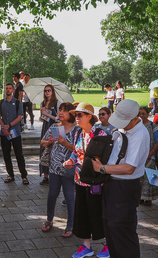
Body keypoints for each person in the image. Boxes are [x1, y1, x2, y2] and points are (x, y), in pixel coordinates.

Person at [91, 99, 150, 258]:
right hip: (113, 183)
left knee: (122, 229)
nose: (121, 124)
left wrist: (102, 168)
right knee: (110, 227)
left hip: (125, 187)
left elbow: (129, 168)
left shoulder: (139, 134)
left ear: (136, 118)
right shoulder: (125, 129)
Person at [63, 102, 107, 258]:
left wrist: (88, 164)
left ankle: (108, 244)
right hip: (79, 180)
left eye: (80, 115)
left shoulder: (100, 135)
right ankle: (86, 246)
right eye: (75, 115)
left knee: (99, 212)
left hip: (95, 181)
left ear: (90, 117)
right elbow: (75, 152)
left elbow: (104, 158)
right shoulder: (78, 133)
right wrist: (70, 161)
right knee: (82, 213)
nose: (76, 118)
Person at [41, 102, 79, 238]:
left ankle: (71, 225)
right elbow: (42, 142)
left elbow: (80, 150)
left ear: (72, 114)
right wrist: (49, 142)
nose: (61, 113)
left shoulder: (77, 130)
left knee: (70, 197)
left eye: (65, 110)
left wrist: (65, 143)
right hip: (54, 168)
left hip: (69, 170)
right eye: (60, 110)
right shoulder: (53, 127)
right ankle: (49, 219)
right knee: (52, 195)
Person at [0, 83, 29, 184]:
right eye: (6, 88)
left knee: (18, 154)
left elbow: (19, 117)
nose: (8, 90)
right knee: (6, 154)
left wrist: (9, 125)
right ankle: (10, 174)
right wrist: (3, 127)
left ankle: (24, 175)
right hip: (4, 133)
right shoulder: (1, 102)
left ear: (13, 90)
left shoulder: (18, 103)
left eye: (10, 88)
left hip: (14, 132)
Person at [139, 106, 158, 206]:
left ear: (148, 114)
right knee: (140, 177)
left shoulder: (152, 126)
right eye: (139, 113)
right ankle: (140, 197)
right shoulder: (136, 125)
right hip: (139, 156)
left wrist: (151, 152)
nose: (141, 116)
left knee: (149, 177)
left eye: (143, 113)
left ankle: (149, 199)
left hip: (150, 156)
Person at [39, 84, 61, 185]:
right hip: (45, 127)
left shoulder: (57, 103)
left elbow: (58, 118)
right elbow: (42, 119)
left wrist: (47, 114)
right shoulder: (42, 103)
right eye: (45, 90)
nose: (47, 92)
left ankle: (54, 173)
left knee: (54, 148)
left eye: (49, 90)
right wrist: (42, 114)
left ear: (52, 91)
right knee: (44, 147)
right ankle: (45, 175)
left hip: (54, 127)